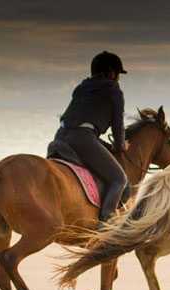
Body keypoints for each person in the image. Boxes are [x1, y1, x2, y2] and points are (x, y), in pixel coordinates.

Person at [53, 51, 129, 222]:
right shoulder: (114, 91)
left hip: (60, 136)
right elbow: (118, 126)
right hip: (83, 139)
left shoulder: (80, 88)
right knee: (119, 179)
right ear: (112, 72)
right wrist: (121, 145)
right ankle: (106, 224)